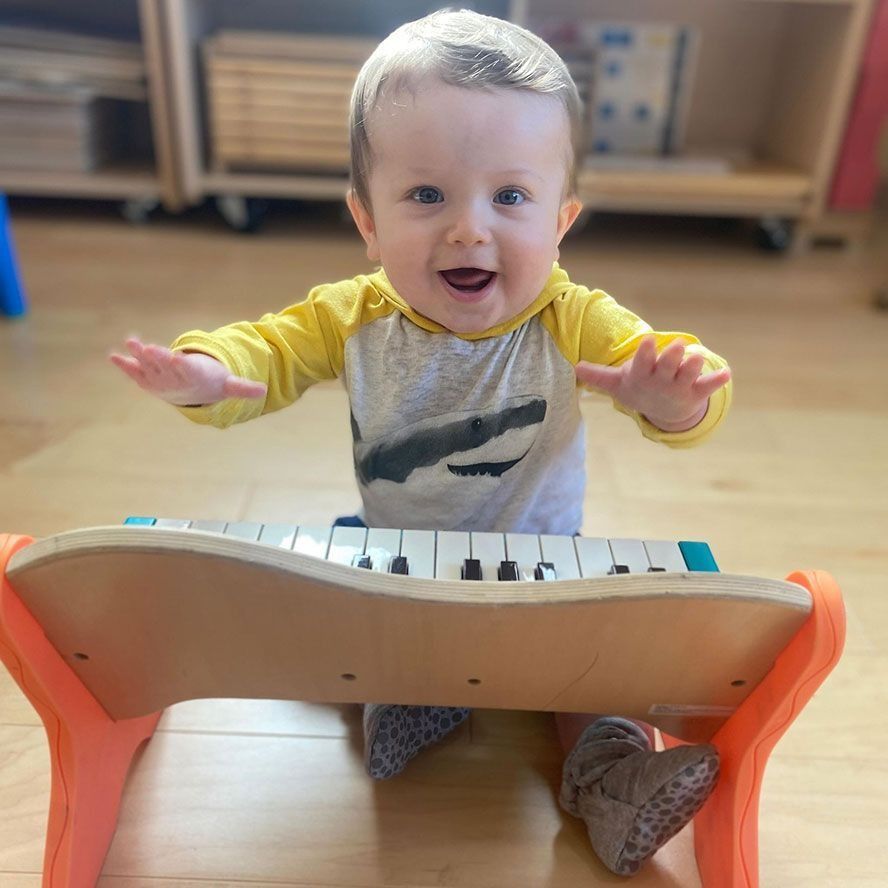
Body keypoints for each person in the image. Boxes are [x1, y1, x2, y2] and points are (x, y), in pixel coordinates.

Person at [110, 9, 732, 877]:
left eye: (510, 197)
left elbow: (680, 373)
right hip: (402, 559)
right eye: (427, 195)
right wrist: (209, 371)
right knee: (340, 595)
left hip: (543, 568)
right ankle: (405, 697)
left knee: (600, 669)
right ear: (366, 220)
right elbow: (271, 345)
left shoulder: (572, 317)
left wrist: (669, 397)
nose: (470, 229)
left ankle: (612, 779)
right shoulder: (352, 313)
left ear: (562, 219)